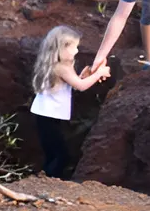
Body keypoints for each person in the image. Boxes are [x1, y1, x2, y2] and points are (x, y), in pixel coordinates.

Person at [30, 25, 109, 178]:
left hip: (47, 114)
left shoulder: (62, 65)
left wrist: (84, 75)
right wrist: (99, 73)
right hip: (48, 116)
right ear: (63, 47)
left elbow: (73, 83)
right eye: (75, 47)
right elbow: (81, 87)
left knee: (54, 153)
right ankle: (48, 180)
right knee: (61, 155)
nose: (77, 51)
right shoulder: (61, 67)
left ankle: (47, 178)